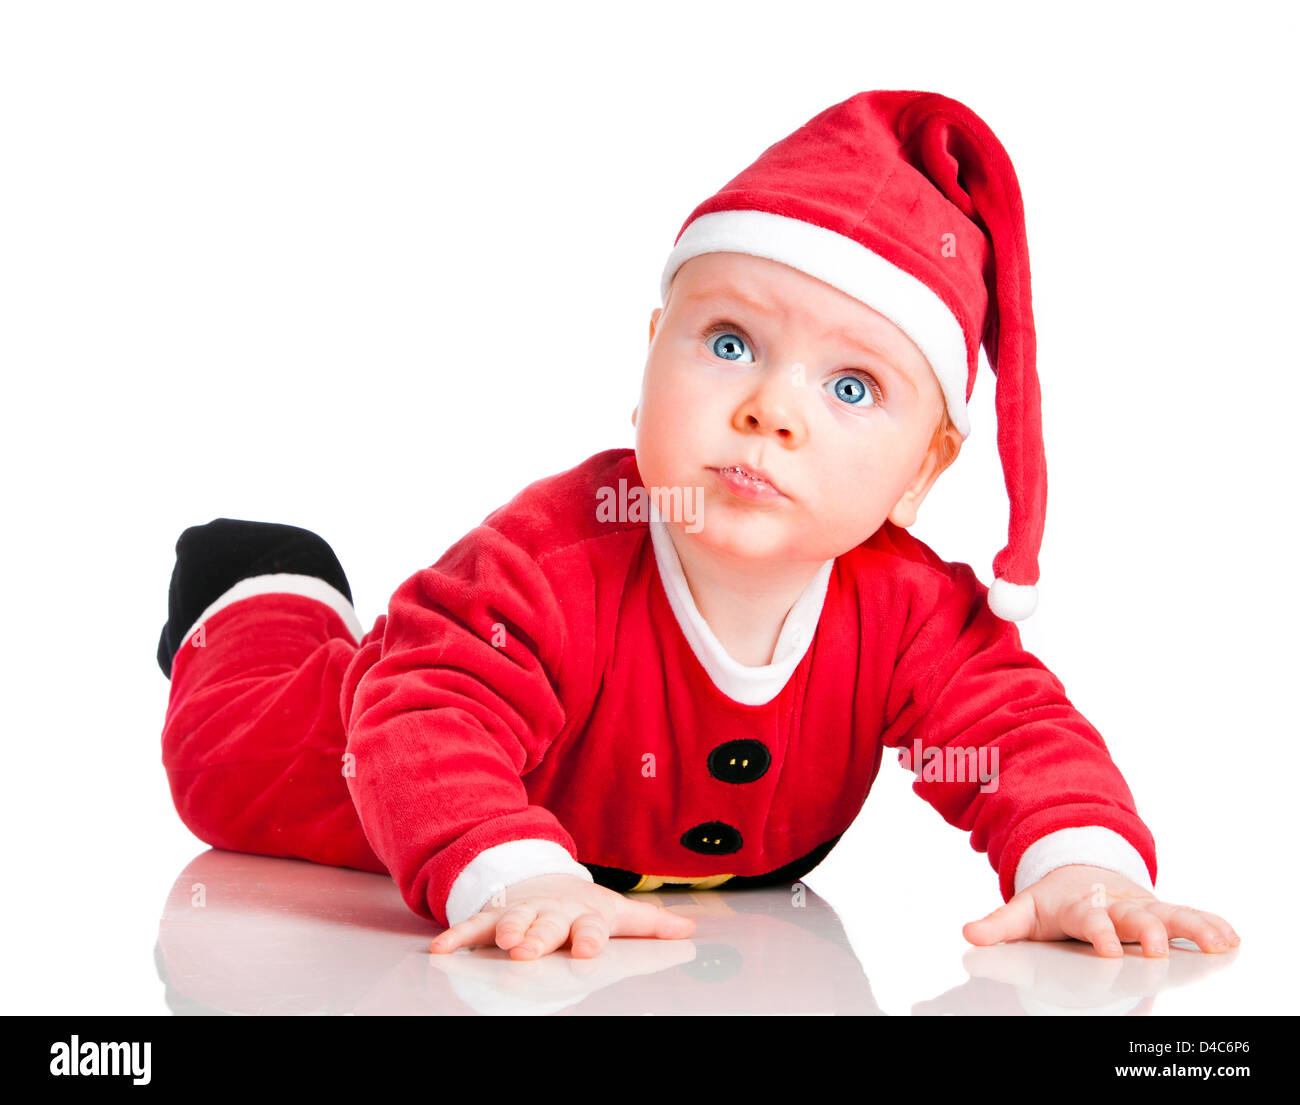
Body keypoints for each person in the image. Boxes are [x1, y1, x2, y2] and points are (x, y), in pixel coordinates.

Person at [157, 89, 1239, 962]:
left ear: (924, 467)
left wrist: (1078, 862)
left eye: (853, 387)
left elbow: (1015, 736)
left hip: (669, 864)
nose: (769, 410)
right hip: (345, 767)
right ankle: (262, 585)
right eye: (728, 343)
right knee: (242, 749)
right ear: (649, 355)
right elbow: (427, 717)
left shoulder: (909, 611)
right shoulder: (552, 558)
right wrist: (509, 866)